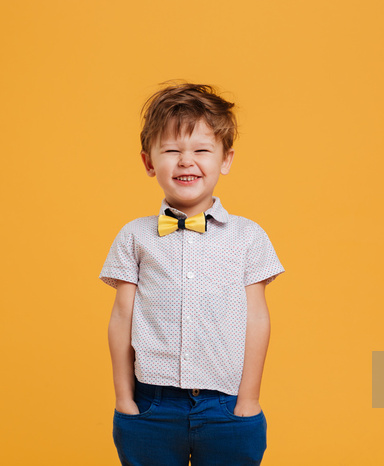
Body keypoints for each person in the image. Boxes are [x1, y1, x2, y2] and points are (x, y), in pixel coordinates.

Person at [100, 82, 284, 466]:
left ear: (226, 160)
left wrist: (248, 399)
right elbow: (122, 317)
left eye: (201, 150)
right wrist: (124, 398)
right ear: (149, 162)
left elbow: (257, 318)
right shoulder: (134, 236)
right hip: (152, 406)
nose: (186, 161)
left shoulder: (248, 236)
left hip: (227, 405)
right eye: (171, 150)